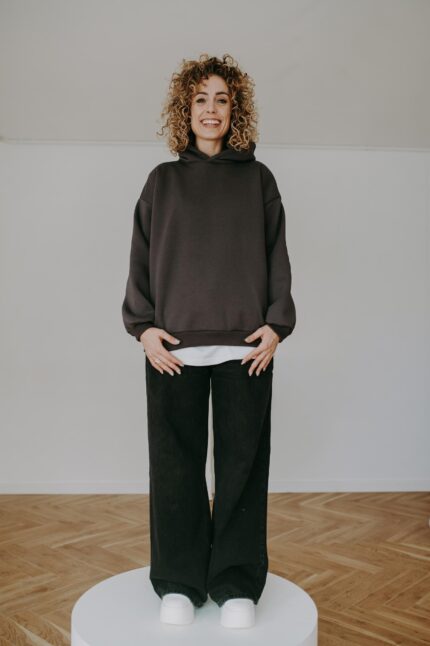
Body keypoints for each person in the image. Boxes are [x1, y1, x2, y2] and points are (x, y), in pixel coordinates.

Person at [122, 53, 296, 628]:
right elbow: (141, 257)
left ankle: (236, 583)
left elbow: (277, 254)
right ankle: (179, 581)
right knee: (175, 469)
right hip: (171, 348)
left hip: (247, 348)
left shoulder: (259, 180)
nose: (211, 109)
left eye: (222, 99)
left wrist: (277, 323)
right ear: (185, 109)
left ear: (235, 109)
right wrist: (144, 327)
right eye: (200, 99)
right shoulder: (162, 181)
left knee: (243, 469)